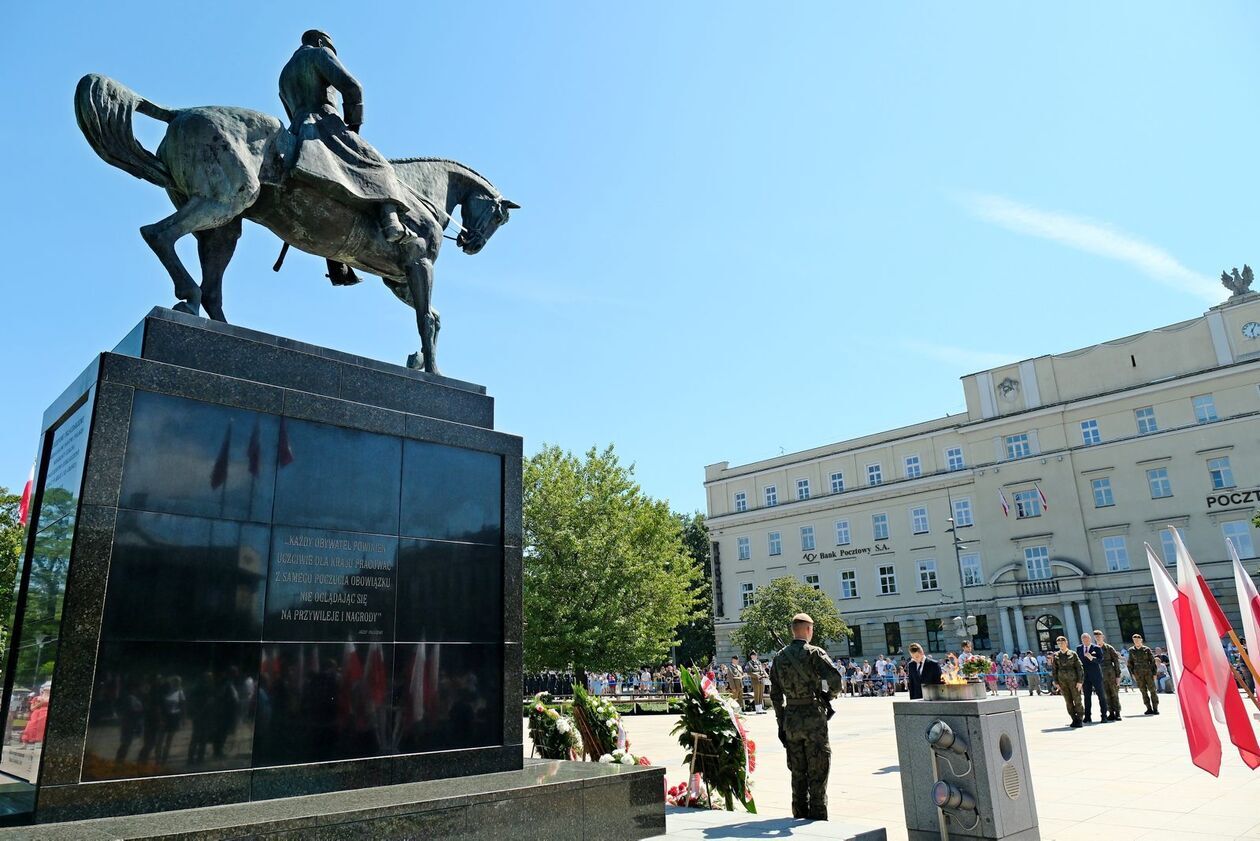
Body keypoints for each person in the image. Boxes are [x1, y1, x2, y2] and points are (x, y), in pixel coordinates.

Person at [277, 30, 427, 286]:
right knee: (380, 165)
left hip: (297, 130)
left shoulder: (283, 74)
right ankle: (391, 222)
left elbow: (290, 110)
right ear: (323, 43)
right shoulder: (318, 54)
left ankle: (338, 269)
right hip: (324, 123)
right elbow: (352, 87)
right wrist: (353, 125)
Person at [770, 613, 843, 821]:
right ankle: (818, 815)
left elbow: (775, 695)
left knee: (797, 770)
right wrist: (827, 696)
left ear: (793, 630)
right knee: (819, 768)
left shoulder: (779, 656)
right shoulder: (814, 653)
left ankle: (799, 812)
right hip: (813, 718)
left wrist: (781, 721)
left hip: (791, 719)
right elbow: (836, 681)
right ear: (809, 630)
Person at [1050, 636, 1085, 728]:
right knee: (1068, 701)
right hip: (1062, 682)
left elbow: (1079, 668)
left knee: (1077, 700)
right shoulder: (1056, 655)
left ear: (1066, 643)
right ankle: (1074, 718)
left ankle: (1080, 718)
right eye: (1059, 643)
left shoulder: (1073, 654)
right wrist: (1056, 682)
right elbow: (1054, 670)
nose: (1060, 644)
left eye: (1062, 642)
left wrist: (1080, 681)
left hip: (1074, 681)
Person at [1076, 633, 1110, 723]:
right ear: (1081, 640)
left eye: (1087, 639)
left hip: (1096, 676)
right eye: (1083, 640)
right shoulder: (1079, 648)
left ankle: (1104, 716)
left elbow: (1100, 660)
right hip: (1085, 677)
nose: (1085, 641)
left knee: (1101, 696)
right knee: (1087, 697)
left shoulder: (1096, 648)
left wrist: (1092, 658)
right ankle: (1087, 717)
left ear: (1090, 639)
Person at [1126, 634, 1160, 715]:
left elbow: (1152, 662)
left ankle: (1155, 708)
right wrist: (1132, 674)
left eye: (1138, 640)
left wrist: (1154, 673)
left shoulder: (1146, 649)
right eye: (1134, 640)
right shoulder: (1131, 650)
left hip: (1148, 673)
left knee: (1152, 691)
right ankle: (1148, 708)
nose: (1136, 641)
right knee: (1143, 691)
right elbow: (1130, 663)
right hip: (1138, 674)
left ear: (1141, 640)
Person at [1093, 629, 1122, 721]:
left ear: (1103, 637)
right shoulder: (1093, 649)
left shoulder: (1109, 648)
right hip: (1100, 674)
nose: (1098, 638)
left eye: (1099, 636)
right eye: (1096, 637)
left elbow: (1116, 662)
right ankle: (1111, 713)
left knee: (1114, 693)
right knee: (1105, 695)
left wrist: (1118, 676)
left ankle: (1117, 713)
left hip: (1111, 674)